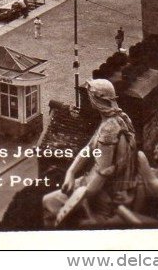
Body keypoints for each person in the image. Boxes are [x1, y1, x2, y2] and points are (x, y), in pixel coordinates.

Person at [42, 79, 138, 228]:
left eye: (89, 96)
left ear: (96, 99)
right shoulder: (116, 119)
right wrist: (71, 172)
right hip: (93, 184)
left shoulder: (109, 129)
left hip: (101, 194)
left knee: (49, 203)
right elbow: (88, 149)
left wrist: (81, 197)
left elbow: (102, 173)